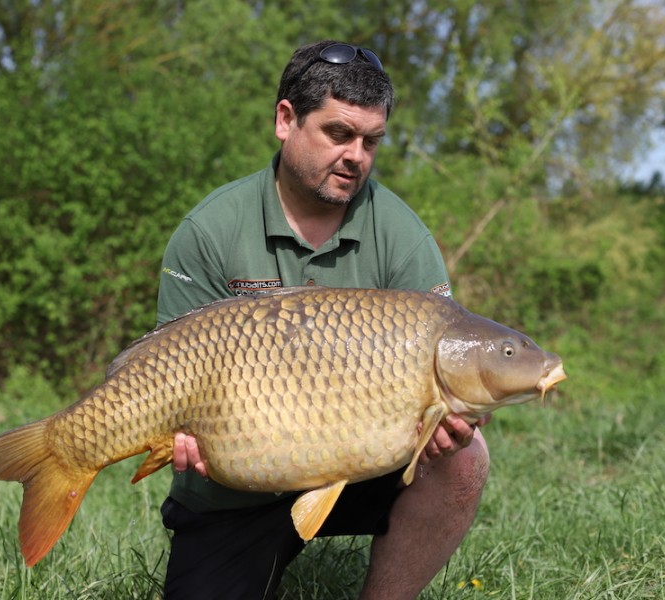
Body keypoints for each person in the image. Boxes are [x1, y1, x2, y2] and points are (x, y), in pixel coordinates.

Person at [154, 39, 490, 600]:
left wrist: (451, 426)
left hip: (362, 470)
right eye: (338, 133)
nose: (356, 155)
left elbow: (453, 363)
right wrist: (183, 436)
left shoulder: (402, 237)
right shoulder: (210, 230)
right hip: (236, 483)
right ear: (286, 120)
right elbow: (170, 373)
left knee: (465, 458)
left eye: (371, 141)